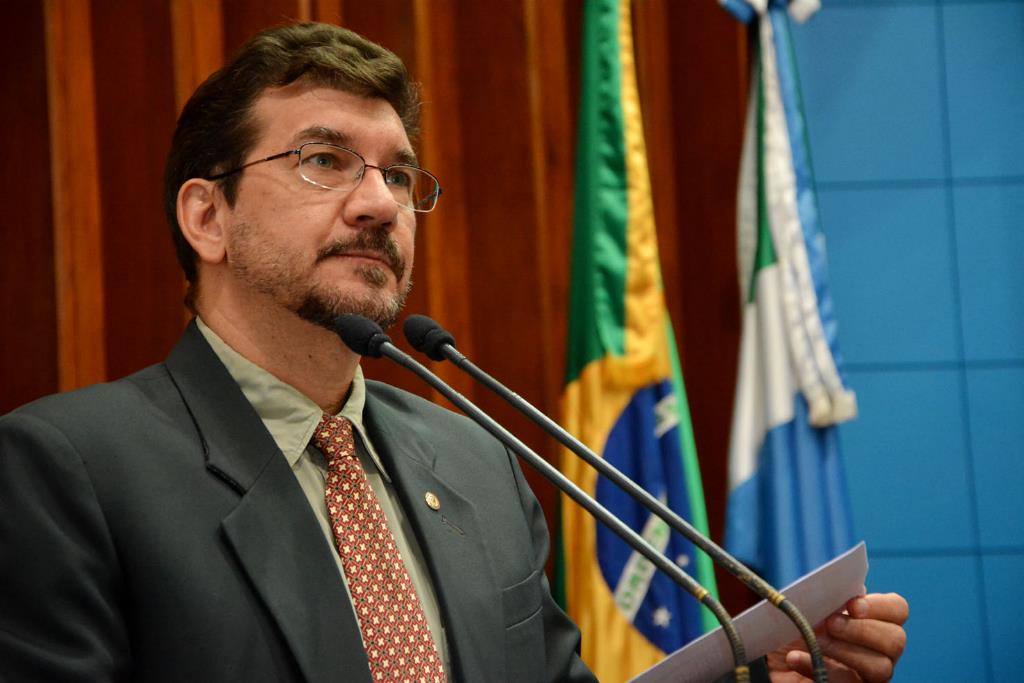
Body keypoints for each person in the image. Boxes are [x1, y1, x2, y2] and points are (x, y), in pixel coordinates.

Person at [0, 22, 905, 683]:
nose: (378, 204)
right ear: (208, 217)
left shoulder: (474, 457)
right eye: (323, 160)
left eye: (397, 173)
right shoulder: (68, 469)